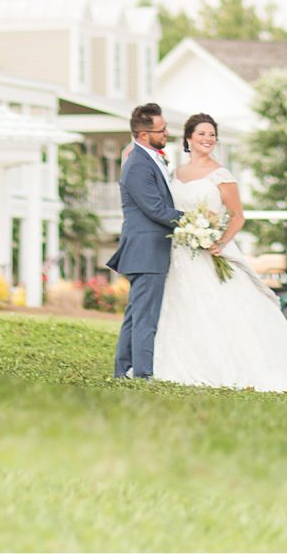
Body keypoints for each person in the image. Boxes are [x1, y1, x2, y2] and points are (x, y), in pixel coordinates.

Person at [152, 111, 287, 393]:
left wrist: (219, 241)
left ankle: (225, 364)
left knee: (217, 306)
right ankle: (175, 361)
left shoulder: (221, 175)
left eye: (212, 135)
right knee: (180, 304)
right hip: (179, 252)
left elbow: (237, 215)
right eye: (201, 133)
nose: (207, 139)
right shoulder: (175, 173)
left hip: (210, 251)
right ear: (189, 138)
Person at [106, 102, 182, 380]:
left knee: (135, 315)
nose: (166, 133)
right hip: (146, 251)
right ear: (142, 134)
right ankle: (142, 374)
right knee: (145, 319)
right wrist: (195, 220)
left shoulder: (150, 158)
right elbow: (156, 210)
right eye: (161, 130)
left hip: (147, 251)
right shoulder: (138, 164)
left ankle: (124, 369)